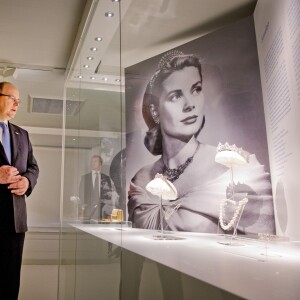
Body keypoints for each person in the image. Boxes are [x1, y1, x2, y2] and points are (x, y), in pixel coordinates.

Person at [128, 50, 275, 235]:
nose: (190, 104)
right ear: (155, 111)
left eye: (196, 89)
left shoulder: (236, 169)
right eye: (175, 96)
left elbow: (262, 241)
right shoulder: (141, 179)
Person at [0, 81, 39, 299]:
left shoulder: (22, 134)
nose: (16, 104)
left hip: (15, 223)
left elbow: (33, 167)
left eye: (19, 101)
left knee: (10, 282)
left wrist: (27, 182)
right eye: (12, 98)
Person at [79, 154, 117, 220]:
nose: (93, 163)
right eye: (92, 161)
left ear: (100, 163)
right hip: (88, 212)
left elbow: (109, 196)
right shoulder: (85, 178)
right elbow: (81, 195)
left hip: (102, 212)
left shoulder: (106, 178)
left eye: (95, 161)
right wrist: (82, 210)